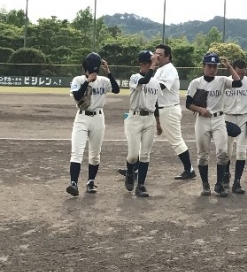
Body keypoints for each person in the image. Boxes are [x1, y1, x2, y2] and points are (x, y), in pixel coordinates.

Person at [185, 53, 242, 196]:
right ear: (203, 66)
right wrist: (200, 109)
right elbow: (188, 104)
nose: (212, 69)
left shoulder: (222, 80)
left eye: (214, 66)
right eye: (209, 66)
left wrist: (229, 66)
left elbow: (238, 82)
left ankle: (219, 184)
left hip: (219, 120)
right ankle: (205, 185)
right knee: (203, 155)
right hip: (202, 121)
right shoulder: (196, 83)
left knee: (223, 152)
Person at [67, 53, 120, 196]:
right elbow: (77, 95)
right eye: (92, 69)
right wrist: (87, 81)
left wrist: (108, 72)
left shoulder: (103, 80)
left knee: (95, 154)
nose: (95, 72)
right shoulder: (78, 80)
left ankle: (91, 182)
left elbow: (116, 89)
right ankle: (73, 183)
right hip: (82, 118)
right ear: (86, 68)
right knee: (77, 152)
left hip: (98, 118)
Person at [152, 44, 196, 180]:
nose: (156, 56)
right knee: (145, 139)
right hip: (160, 109)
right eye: (156, 53)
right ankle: (134, 169)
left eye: (160, 54)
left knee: (176, 141)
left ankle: (189, 170)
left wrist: (144, 82)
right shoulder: (160, 69)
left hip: (169, 110)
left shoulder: (169, 69)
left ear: (168, 56)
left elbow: (160, 87)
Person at [124, 50, 163, 198]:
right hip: (134, 118)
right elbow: (144, 81)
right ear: (143, 64)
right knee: (133, 156)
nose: (154, 64)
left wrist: (158, 122)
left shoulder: (155, 82)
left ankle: (140, 186)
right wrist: (153, 63)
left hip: (149, 119)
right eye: (150, 62)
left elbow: (156, 103)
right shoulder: (134, 78)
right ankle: (129, 172)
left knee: (145, 155)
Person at [222, 58, 247, 194]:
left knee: (241, 151)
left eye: (243, 73)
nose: (240, 75)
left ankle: (237, 182)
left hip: (244, 118)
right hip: (227, 118)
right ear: (233, 70)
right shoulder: (225, 81)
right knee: (226, 151)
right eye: (238, 73)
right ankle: (226, 174)